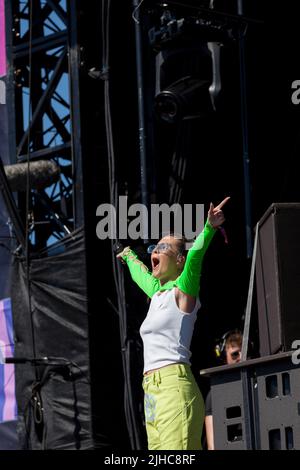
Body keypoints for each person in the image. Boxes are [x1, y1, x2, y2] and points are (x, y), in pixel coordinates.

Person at [117, 197, 230, 450]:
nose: (155, 252)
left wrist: (209, 227)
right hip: (151, 393)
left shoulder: (183, 289)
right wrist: (128, 256)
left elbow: (196, 257)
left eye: (163, 249)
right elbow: (140, 275)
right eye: (154, 248)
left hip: (174, 388)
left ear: (179, 260)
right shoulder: (158, 292)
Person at [204, 329, 243, 450]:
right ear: (224, 357)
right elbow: (213, 446)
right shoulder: (215, 394)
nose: (241, 357)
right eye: (235, 354)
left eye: (244, 351)